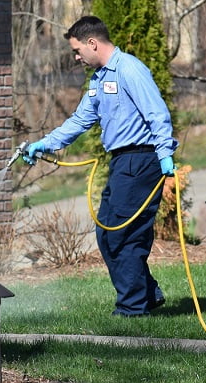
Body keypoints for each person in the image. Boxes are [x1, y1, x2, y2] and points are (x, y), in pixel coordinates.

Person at [24, 16, 178, 317]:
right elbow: (80, 120)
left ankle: (132, 309)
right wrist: (44, 143)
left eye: (77, 50)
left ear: (92, 43)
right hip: (122, 162)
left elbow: (157, 113)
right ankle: (146, 293)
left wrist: (164, 153)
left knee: (125, 234)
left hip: (141, 160)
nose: (76, 57)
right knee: (107, 233)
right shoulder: (99, 79)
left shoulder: (129, 69)